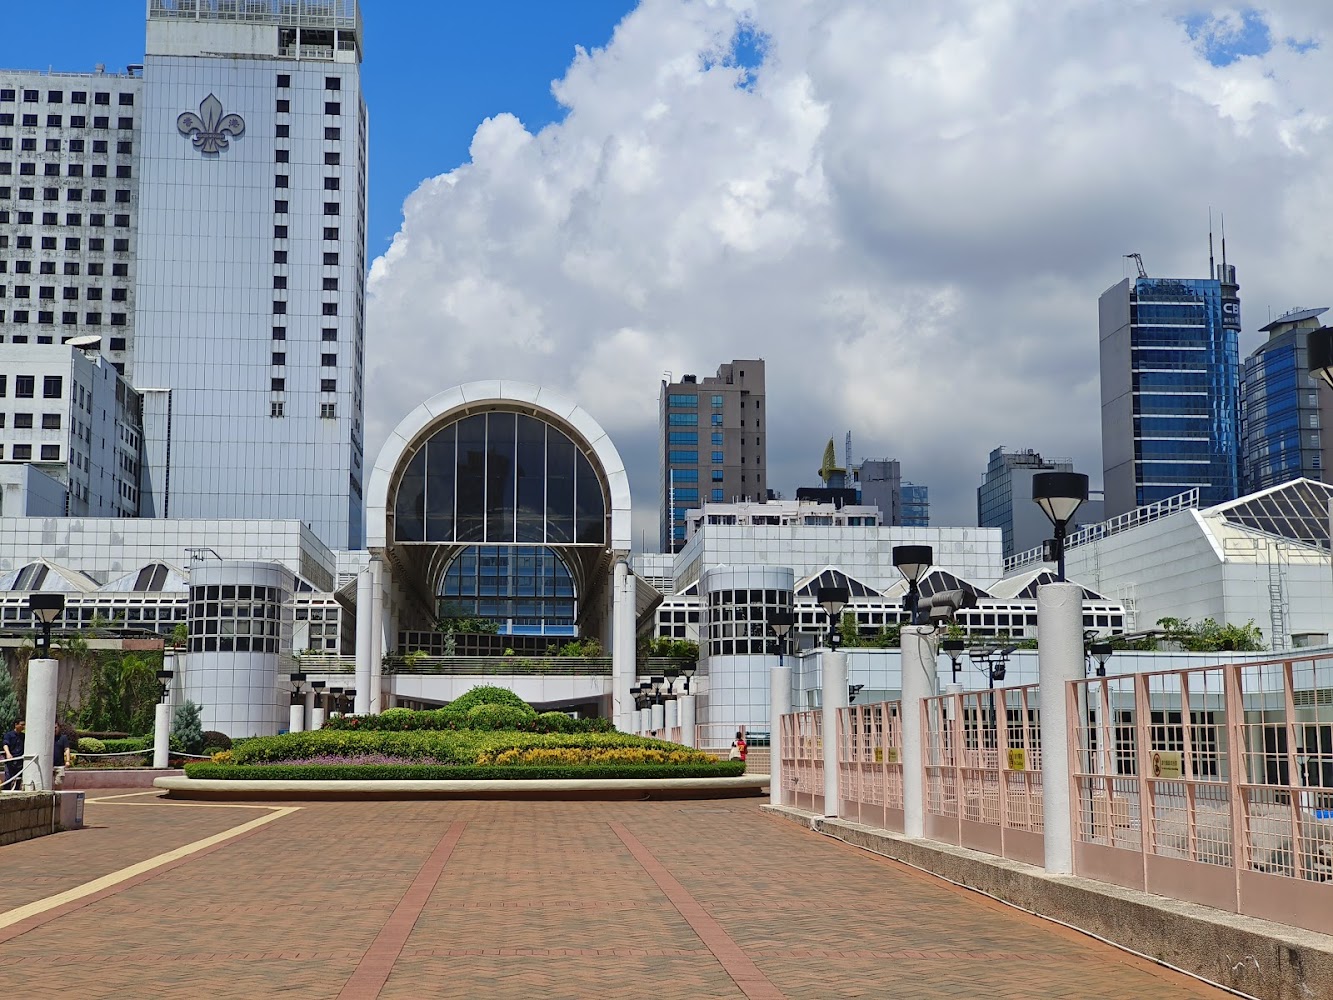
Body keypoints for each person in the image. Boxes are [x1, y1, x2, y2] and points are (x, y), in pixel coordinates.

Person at [3, 719, 25, 791]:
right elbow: (5, 744)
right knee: (8, 779)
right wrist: (8, 753)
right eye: (21, 725)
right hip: (11, 761)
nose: (23, 727)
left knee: (18, 779)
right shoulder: (9, 735)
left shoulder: (23, 736)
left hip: (20, 761)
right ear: (16, 725)